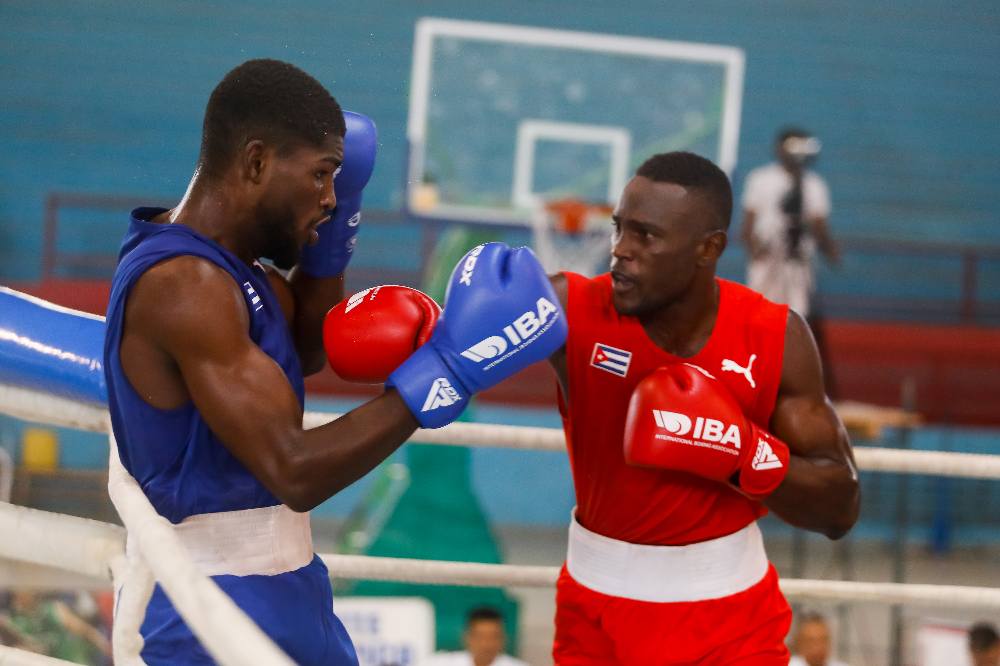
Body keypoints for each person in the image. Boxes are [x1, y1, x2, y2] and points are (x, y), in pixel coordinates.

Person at [104, 59, 565, 665]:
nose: (329, 196)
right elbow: (294, 470)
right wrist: (448, 371)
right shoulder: (183, 284)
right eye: (322, 177)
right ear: (256, 163)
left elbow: (307, 346)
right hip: (210, 612)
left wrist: (334, 235)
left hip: (288, 587)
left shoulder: (237, 270)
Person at [546, 151, 859, 664]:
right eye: (619, 228)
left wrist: (739, 452)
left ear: (708, 249)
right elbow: (443, 362)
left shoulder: (774, 336)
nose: (620, 250)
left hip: (728, 622)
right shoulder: (569, 309)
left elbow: (840, 506)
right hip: (594, 616)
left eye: (646, 236)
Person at [741, 127, 838, 319]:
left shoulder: (814, 184)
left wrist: (830, 250)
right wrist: (754, 250)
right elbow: (748, 222)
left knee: (796, 312)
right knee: (759, 309)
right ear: (780, 148)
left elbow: (819, 224)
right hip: (767, 254)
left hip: (799, 258)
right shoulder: (760, 178)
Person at [425, 607, 528, 666]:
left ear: (504, 638)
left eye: (494, 637)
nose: (487, 644)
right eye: (480, 637)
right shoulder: (441, 663)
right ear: (467, 637)